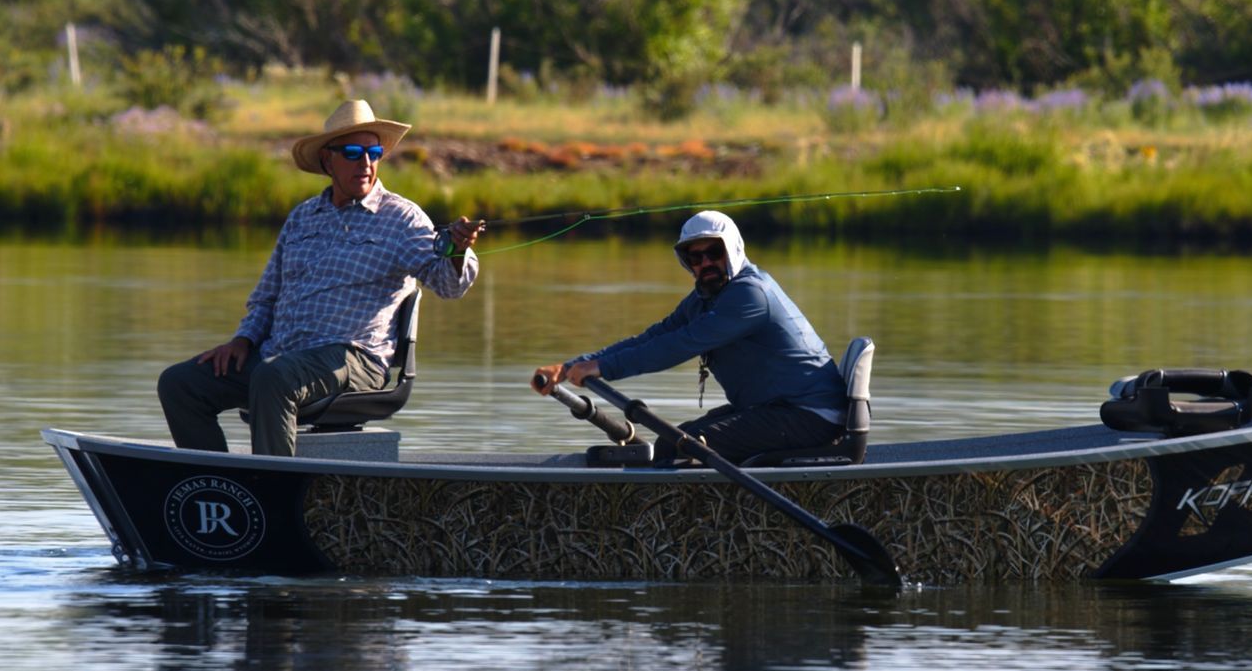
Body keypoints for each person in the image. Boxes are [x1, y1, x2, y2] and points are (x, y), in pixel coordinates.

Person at [158, 99, 486, 456]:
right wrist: (243, 341)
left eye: (373, 152)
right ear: (327, 159)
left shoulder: (402, 219)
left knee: (273, 378)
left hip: (355, 358)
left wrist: (457, 250)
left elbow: (450, 285)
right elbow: (266, 298)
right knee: (180, 384)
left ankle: (273, 490)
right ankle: (217, 484)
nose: (365, 163)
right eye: (352, 152)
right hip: (281, 355)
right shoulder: (302, 218)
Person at [531, 211, 845, 464]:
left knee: (681, 449)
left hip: (809, 416)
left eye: (713, 252)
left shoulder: (750, 296)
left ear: (732, 251)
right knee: (673, 441)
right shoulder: (705, 297)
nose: (705, 263)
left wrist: (605, 369)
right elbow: (655, 336)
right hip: (776, 408)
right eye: (696, 257)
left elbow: (676, 346)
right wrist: (573, 366)